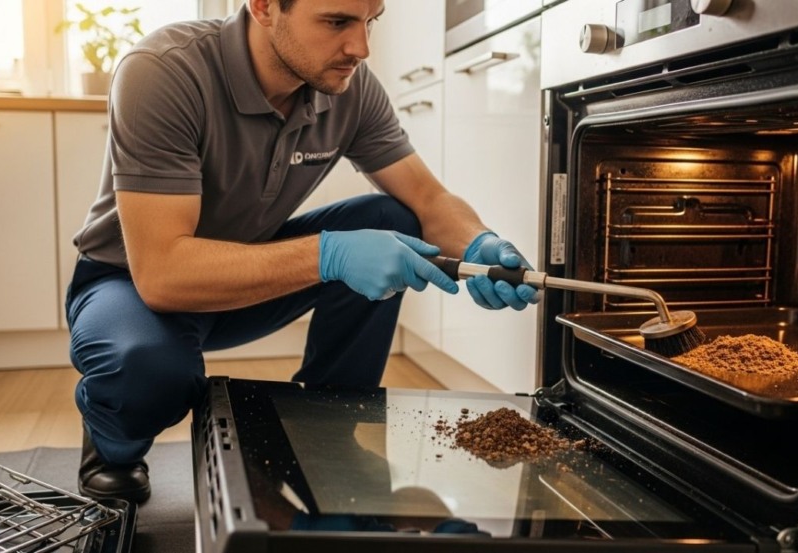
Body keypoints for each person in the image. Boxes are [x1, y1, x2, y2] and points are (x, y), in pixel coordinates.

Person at [66, 0, 540, 505]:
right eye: (337, 22)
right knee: (150, 371)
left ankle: (322, 426)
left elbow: (428, 199)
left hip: (249, 274)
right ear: (265, 7)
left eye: (369, 21)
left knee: (392, 218)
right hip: (133, 283)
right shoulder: (164, 71)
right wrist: (329, 256)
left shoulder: (349, 87)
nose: (360, 47)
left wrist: (480, 243)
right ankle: (112, 447)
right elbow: (162, 275)